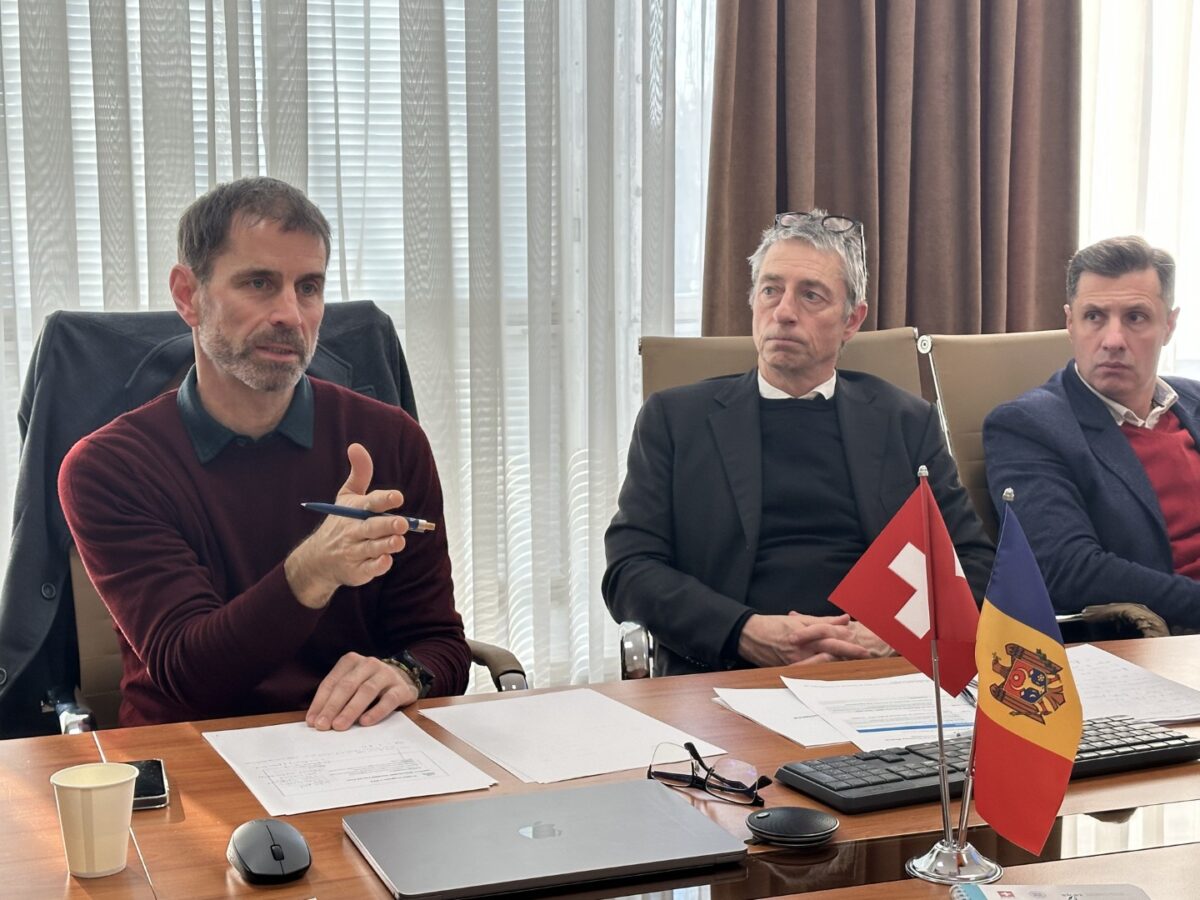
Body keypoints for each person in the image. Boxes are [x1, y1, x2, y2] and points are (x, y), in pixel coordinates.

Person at [58, 177, 470, 728]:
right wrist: (312, 569)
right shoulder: (109, 468)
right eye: (259, 283)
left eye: (309, 287)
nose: (290, 315)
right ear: (187, 295)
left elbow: (440, 642)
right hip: (191, 750)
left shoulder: (390, 439)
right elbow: (190, 673)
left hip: (353, 746)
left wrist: (407, 673)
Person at [602, 210, 994, 676]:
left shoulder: (905, 422)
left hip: (876, 671)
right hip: (728, 672)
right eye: (771, 290)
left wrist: (891, 633)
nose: (784, 312)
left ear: (852, 321)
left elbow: (974, 563)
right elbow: (630, 570)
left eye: (811, 295)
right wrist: (744, 631)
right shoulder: (675, 420)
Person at [983, 236, 1200, 630]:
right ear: (1070, 323)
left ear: (1169, 325)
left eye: (1136, 317)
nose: (1113, 341)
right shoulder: (1028, 426)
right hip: (1167, 636)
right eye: (1095, 316)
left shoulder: (1193, 401)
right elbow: (1069, 570)